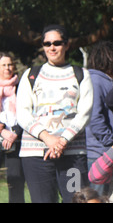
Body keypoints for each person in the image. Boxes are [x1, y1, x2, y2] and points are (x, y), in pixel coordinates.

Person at [16, 24, 93, 203]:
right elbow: (23, 113)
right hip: (36, 156)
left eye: (57, 43)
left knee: (76, 200)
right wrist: (48, 138)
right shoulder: (30, 75)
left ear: (66, 45)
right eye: (47, 43)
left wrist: (63, 140)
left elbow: (85, 113)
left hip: (72, 155)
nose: (52, 47)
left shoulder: (81, 74)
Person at [85, 40, 113, 196]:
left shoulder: (108, 81)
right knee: (97, 197)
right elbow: (95, 118)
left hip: (106, 152)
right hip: (97, 153)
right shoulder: (95, 81)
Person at [0, 52, 25, 203]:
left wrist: (14, 133)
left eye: (10, 64)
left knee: (15, 182)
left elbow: (27, 113)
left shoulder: (21, 88)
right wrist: (2, 131)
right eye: (3, 65)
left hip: (15, 141)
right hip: (3, 134)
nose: (7, 68)